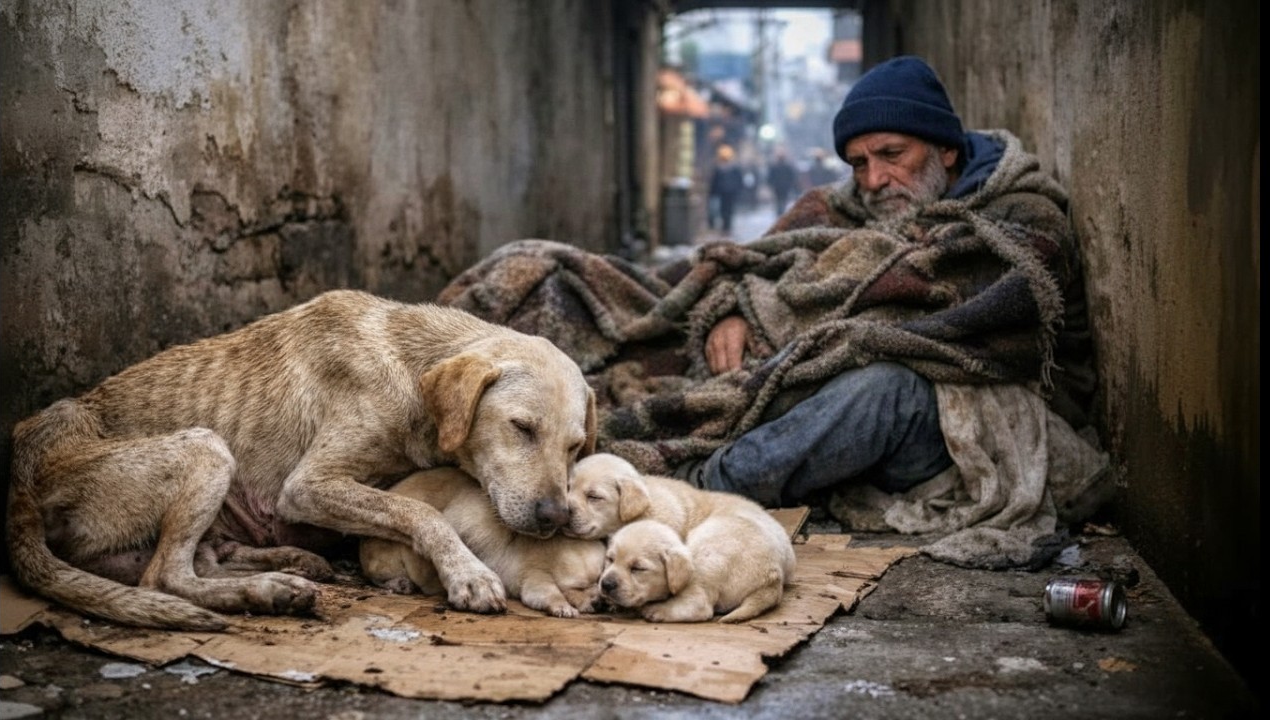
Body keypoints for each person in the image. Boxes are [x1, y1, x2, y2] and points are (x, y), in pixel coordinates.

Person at [438, 55, 1104, 569]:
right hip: (813, 383)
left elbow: (946, 316)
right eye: (859, 162)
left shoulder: (1020, 215)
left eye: (891, 156)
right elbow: (747, 262)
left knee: (881, 388)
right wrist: (731, 306)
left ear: (946, 150)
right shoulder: (843, 206)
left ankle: (694, 484)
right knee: (554, 275)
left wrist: (813, 336)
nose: (872, 180)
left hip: (980, 418)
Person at [706, 144, 745, 237]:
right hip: (722, 193)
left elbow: (739, 181)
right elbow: (714, 182)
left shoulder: (733, 168)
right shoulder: (719, 168)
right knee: (723, 210)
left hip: (730, 193)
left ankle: (727, 227)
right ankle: (725, 227)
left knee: (728, 210)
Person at [765, 148, 801, 215]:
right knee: (783, 200)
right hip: (784, 187)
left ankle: (779, 212)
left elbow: (770, 177)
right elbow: (792, 177)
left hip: (778, 187)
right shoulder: (787, 167)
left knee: (779, 200)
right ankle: (781, 211)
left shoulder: (774, 167)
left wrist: (771, 184)